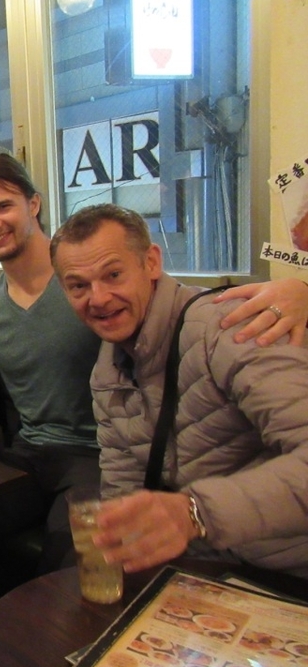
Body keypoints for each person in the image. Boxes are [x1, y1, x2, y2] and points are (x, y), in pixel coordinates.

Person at [0, 151, 308, 572]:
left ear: (33, 205)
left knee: (78, 557)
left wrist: (299, 290)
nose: (98, 298)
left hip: (98, 463)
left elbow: (179, 307)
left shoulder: (216, 326)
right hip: (37, 453)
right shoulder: (103, 369)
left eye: (3, 206)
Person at [50, 204, 308, 578]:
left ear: (151, 262)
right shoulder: (108, 373)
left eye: (114, 274)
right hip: (210, 572)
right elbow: (123, 492)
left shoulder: (226, 329)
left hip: (290, 573)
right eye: (79, 286)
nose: (99, 298)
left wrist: (196, 513)